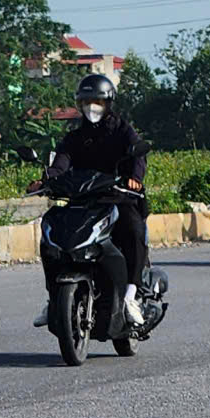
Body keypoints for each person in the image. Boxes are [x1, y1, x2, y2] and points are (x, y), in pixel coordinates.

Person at [31, 72, 154, 327]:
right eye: (87, 103)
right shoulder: (75, 136)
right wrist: (46, 180)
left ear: (108, 103)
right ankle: (54, 298)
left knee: (132, 228)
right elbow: (61, 162)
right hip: (82, 200)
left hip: (117, 198)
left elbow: (138, 156)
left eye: (97, 102)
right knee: (51, 229)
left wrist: (134, 178)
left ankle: (131, 295)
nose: (92, 108)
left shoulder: (122, 130)